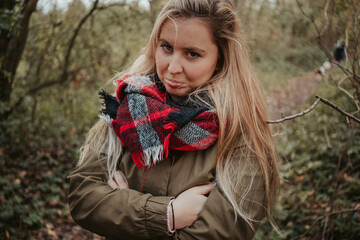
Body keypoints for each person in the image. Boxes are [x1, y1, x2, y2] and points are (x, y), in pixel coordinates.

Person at [67, 0, 279, 239]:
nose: (172, 67)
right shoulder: (129, 107)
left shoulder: (241, 133)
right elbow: (82, 197)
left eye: (192, 54)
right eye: (166, 48)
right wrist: (168, 216)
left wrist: (123, 214)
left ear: (220, 59)